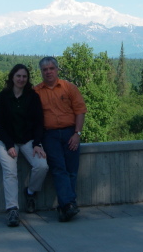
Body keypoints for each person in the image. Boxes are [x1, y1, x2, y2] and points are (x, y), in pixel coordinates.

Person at [0, 64, 48, 227]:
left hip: (28, 140)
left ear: (27, 79)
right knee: (10, 173)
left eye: (24, 76)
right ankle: (12, 210)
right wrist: (9, 144)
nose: (21, 79)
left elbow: (39, 122)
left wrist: (37, 143)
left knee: (42, 165)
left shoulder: (32, 97)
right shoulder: (3, 97)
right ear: (12, 77)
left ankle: (30, 192)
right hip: (5, 141)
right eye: (18, 76)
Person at [34, 57, 87, 222]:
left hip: (70, 133)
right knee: (58, 169)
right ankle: (69, 204)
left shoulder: (69, 88)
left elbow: (80, 110)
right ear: (41, 72)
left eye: (51, 68)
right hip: (49, 135)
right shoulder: (36, 92)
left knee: (71, 170)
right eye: (45, 69)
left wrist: (77, 134)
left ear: (57, 70)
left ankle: (65, 208)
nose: (48, 72)